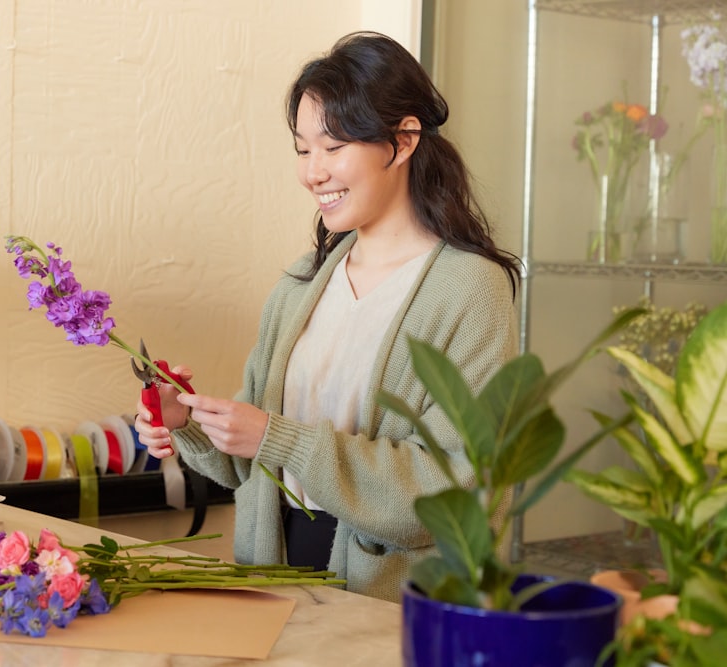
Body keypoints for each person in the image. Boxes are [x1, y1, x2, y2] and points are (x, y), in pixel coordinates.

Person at [134, 31, 521, 602]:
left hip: (392, 598)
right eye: (302, 149)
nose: (313, 172)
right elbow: (250, 465)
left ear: (404, 139)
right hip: (275, 581)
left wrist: (279, 439)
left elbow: (458, 492)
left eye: (334, 147)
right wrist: (185, 419)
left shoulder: (469, 289)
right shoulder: (302, 283)